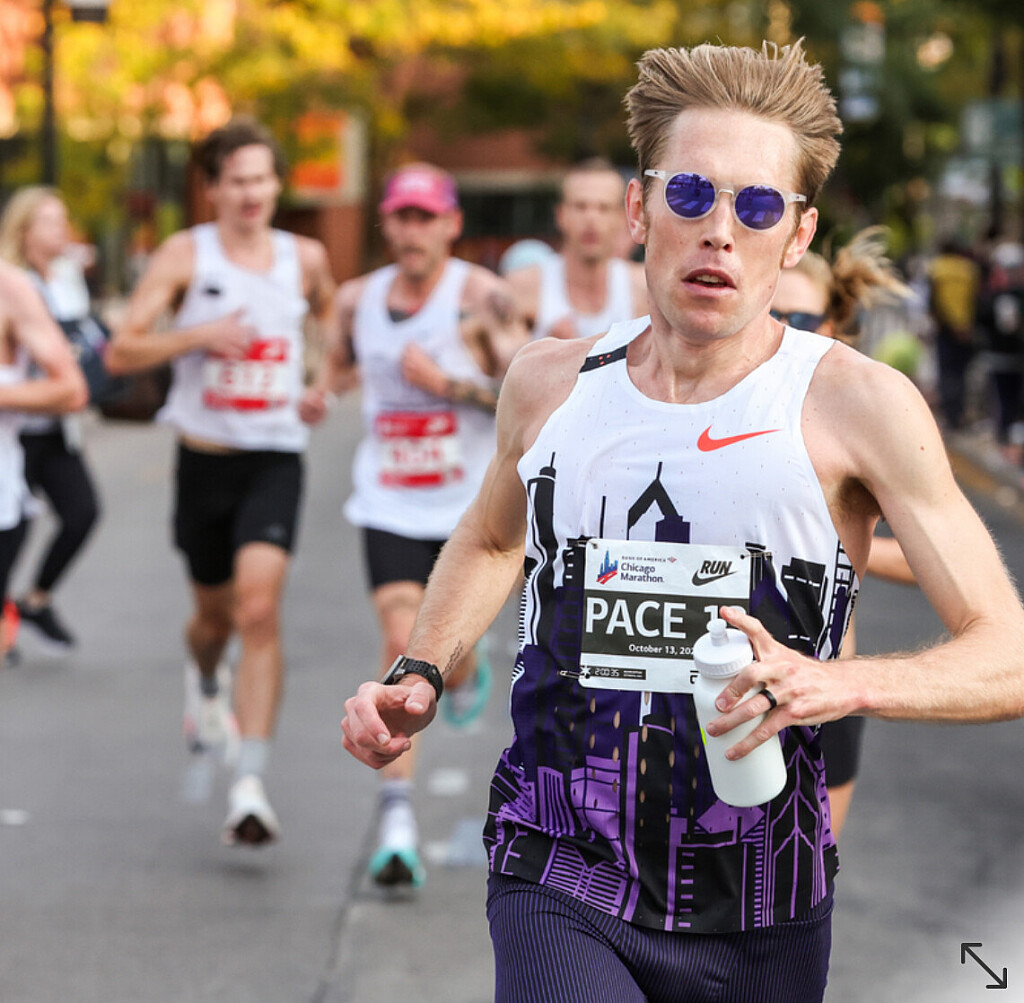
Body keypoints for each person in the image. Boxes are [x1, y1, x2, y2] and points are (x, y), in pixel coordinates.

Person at [342, 40, 1024, 1003]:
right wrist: (420, 666)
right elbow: (495, 539)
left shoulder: (857, 405)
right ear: (639, 209)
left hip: (761, 895)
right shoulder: (549, 383)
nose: (720, 232)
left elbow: (1008, 653)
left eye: (758, 207)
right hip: (557, 863)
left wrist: (840, 682)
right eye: (692, 195)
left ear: (798, 234)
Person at [106, 117, 340, 847]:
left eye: (261, 179)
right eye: (236, 181)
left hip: (274, 457)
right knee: (212, 620)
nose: (250, 194)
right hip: (204, 460)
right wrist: (198, 336)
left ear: (277, 184)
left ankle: (250, 784)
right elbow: (120, 350)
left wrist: (317, 381)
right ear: (212, 188)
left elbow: (327, 318)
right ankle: (206, 680)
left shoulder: (304, 257)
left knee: (258, 608)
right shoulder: (186, 253)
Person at [335, 162, 527, 889]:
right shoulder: (357, 300)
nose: (413, 231)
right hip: (387, 500)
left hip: (465, 514)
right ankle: (396, 823)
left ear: (451, 224)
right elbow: (333, 370)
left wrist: (444, 384)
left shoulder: (482, 298)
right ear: (386, 223)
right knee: (400, 638)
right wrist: (317, 394)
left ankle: (464, 668)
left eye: (427, 218)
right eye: (402, 217)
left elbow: (526, 396)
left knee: (447, 650)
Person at [771, 227, 916, 839]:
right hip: (712, 686)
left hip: (825, 685)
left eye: (801, 318)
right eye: (771, 314)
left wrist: (839, 549)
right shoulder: (707, 411)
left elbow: (929, 559)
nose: (785, 329)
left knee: (809, 871)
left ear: (831, 326)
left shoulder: (858, 421)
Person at [0, 187, 101, 652]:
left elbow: (72, 373)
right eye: (51, 221)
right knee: (19, 529)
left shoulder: (39, 283)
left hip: (47, 428)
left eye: (64, 220)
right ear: (24, 229)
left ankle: (34, 600)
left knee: (81, 513)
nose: (62, 230)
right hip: (24, 433)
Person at [507, 157, 647, 339]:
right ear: (561, 215)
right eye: (580, 207)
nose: (591, 219)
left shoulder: (644, 289)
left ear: (622, 218)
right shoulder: (522, 287)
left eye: (603, 208)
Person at [927, 238, 980, 430]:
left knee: (946, 372)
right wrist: (967, 326)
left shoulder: (937, 269)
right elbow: (975, 299)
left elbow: (934, 301)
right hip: (966, 329)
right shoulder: (969, 270)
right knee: (961, 373)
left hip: (945, 329)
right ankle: (959, 413)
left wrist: (940, 322)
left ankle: (949, 414)